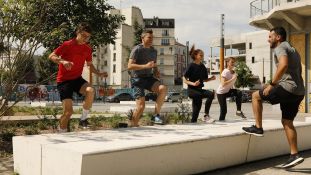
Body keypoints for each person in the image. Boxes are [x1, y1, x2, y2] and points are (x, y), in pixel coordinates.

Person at [242, 27, 305, 168]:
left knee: (255, 96)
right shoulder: (293, 49)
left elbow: (283, 65)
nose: (268, 39)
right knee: (287, 122)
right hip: (298, 92)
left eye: (270, 36)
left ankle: (258, 128)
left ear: (278, 37)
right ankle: (294, 155)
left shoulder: (280, 47)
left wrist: (271, 84)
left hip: (287, 88)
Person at [49, 22, 108, 132]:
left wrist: (99, 74)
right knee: (68, 112)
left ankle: (83, 119)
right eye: (83, 35)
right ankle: (61, 132)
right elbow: (51, 56)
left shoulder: (87, 49)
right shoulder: (67, 44)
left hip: (76, 79)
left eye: (88, 37)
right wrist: (62, 61)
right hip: (64, 81)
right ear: (78, 32)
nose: (85, 38)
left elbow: (90, 65)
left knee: (90, 90)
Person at [128, 29, 167, 127]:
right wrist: (145, 66)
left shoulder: (154, 51)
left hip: (149, 78)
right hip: (137, 79)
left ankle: (156, 115)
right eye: (149, 37)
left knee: (163, 88)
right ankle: (133, 125)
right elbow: (130, 66)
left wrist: (156, 71)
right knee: (141, 106)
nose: (151, 40)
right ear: (142, 38)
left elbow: (153, 64)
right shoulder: (136, 49)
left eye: (152, 38)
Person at [183, 45, 216, 123]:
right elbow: (184, 79)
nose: (202, 57)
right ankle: (201, 118)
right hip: (192, 90)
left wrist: (211, 79)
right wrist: (193, 84)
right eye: (201, 55)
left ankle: (205, 116)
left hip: (199, 90)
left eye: (203, 55)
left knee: (210, 95)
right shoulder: (191, 65)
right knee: (198, 99)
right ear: (195, 56)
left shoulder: (202, 67)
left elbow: (204, 80)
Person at [216, 57, 246, 121]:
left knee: (239, 92)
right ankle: (221, 122)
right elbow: (223, 84)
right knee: (224, 111)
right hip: (221, 93)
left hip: (227, 91)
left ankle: (238, 111)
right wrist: (232, 79)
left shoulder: (234, 72)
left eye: (234, 62)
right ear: (227, 63)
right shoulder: (225, 72)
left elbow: (232, 83)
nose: (233, 63)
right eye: (232, 62)